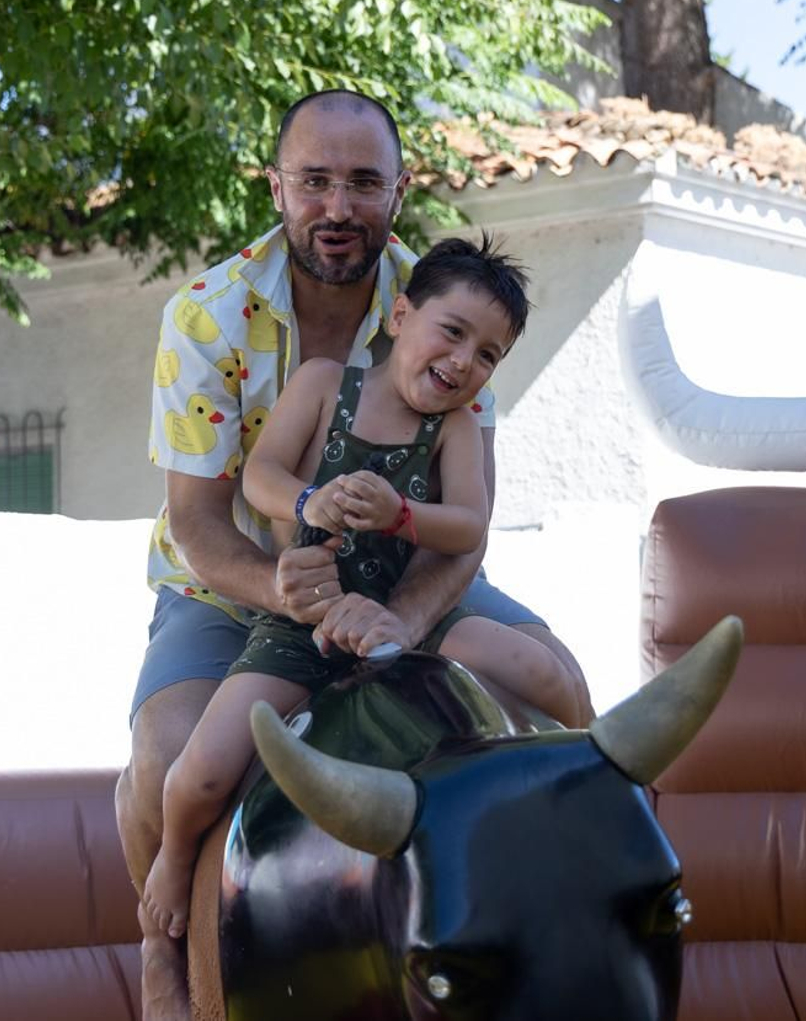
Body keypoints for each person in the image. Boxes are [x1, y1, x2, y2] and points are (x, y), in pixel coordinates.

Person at [115, 88, 592, 1020]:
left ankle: (577, 921)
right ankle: (164, 956)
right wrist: (287, 591)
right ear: (278, 187)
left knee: (562, 686)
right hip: (235, 585)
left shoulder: (453, 311)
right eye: (315, 181)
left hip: (408, 576)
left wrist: (399, 617)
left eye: (363, 183)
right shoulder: (206, 316)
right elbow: (200, 520)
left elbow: (467, 519)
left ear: (398, 191)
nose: (338, 207)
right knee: (166, 751)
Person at [142, 236, 581, 939]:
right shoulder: (323, 383)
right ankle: (170, 858)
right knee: (202, 765)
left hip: (406, 613)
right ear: (400, 316)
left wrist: (403, 515)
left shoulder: (456, 429)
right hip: (303, 622)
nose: (465, 361)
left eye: (489, 353)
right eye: (454, 332)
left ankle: (595, 791)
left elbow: (469, 525)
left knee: (543, 668)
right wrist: (308, 502)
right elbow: (262, 476)